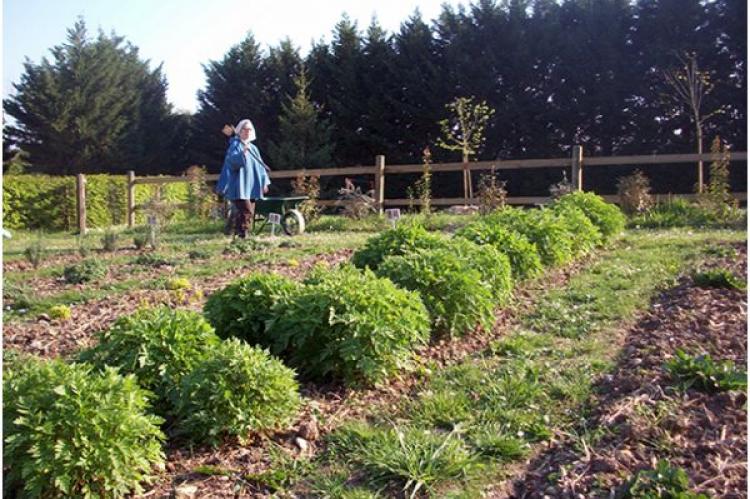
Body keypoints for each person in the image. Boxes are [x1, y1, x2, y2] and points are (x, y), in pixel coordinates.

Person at [216, 119, 271, 238]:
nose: (247, 132)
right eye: (244, 129)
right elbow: (231, 162)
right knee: (246, 211)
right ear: (239, 131)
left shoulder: (253, 148)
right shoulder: (235, 146)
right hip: (239, 186)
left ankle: (239, 234)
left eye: (249, 129)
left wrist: (264, 182)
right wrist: (242, 154)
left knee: (249, 212)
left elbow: (260, 167)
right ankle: (242, 235)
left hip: (252, 187)